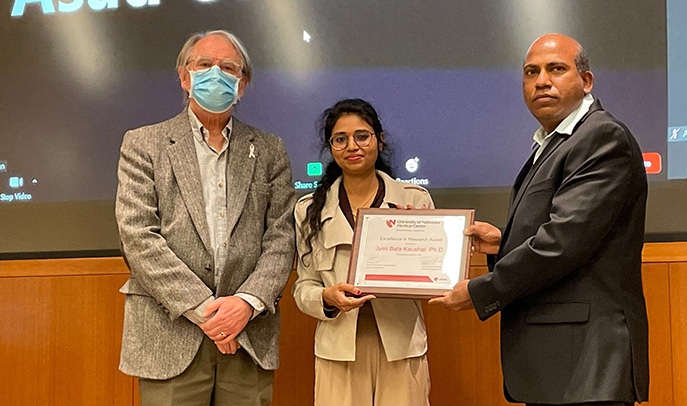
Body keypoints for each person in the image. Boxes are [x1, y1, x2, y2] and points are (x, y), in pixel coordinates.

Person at [430, 33, 649, 406]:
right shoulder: (555, 141)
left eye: (556, 69)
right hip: (563, 366)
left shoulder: (600, 137)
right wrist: (504, 242)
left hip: (586, 365)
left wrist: (483, 290)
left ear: (586, 81)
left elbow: (563, 241)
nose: (541, 80)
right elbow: (570, 231)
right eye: (531, 72)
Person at [115, 29, 296, 405]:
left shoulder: (268, 149)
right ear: (185, 76)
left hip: (247, 336)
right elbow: (138, 236)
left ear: (242, 84)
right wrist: (206, 312)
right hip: (170, 333)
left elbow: (282, 236)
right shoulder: (143, 143)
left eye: (228, 67)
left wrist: (245, 302)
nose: (216, 73)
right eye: (204, 65)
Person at [292, 98, 433, 406]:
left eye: (362, 136)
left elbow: (435, 275)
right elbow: (303, 285)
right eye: (340, 139)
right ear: (330, 147)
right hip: (338, 349)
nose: (352, 146)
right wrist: (326, 299)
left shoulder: (414, 201)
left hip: (401, 345)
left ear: (379, 141)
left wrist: (414, 240)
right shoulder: (309, 210)